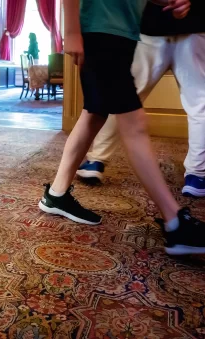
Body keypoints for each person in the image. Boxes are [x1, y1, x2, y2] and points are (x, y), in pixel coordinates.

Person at [38, 0, 205, 255]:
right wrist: (71, 31)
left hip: (121, 33)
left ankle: (56, 194)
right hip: (101, 32)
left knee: (94, 114)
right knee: (134, 124)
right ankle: (175, 222)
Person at [76, 0, 205, 199]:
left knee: (121, 97)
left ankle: (96, 159)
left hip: (153, 27)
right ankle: (197, 175)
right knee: (200, 104)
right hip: (187, 27)